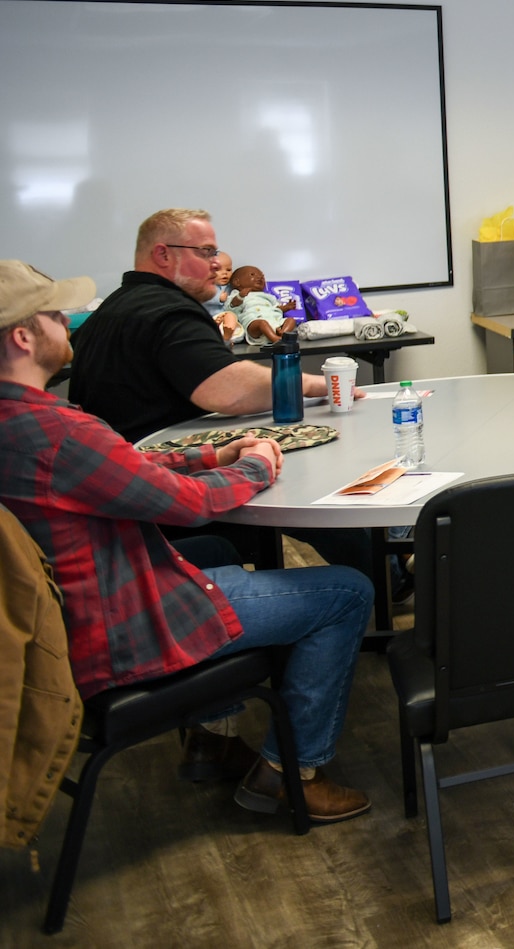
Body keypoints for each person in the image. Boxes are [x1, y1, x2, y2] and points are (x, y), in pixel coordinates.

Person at [0, 260, 374, 821]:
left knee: (220, 554)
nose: (68, 322)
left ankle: (212, 740)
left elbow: (122, 467)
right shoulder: (60, 434)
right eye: (54, 315)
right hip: (121, 630)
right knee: (346, 592)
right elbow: (189, 505)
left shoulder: (21, 423)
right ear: (24, 336)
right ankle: (287, 773)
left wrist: (209, 455)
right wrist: (253, 467)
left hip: (71, 614)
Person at [65, 209, 370, 575]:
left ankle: (392, 570)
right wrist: (316, 385)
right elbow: (228, 391)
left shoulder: (112, 307)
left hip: (124, 489)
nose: (217, 264)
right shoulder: (168, 312)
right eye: (206, 252)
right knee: (302, 481)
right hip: (167, 491)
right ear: (163, 255)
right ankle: (387, 576)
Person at [202, 249, 234, 317]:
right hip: (212, 316)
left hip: (228, 318)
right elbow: (203, 298)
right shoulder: (206, 286)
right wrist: (218, 297)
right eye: (217, 269)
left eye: (228, 270)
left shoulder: (232, 286)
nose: (225, 273)